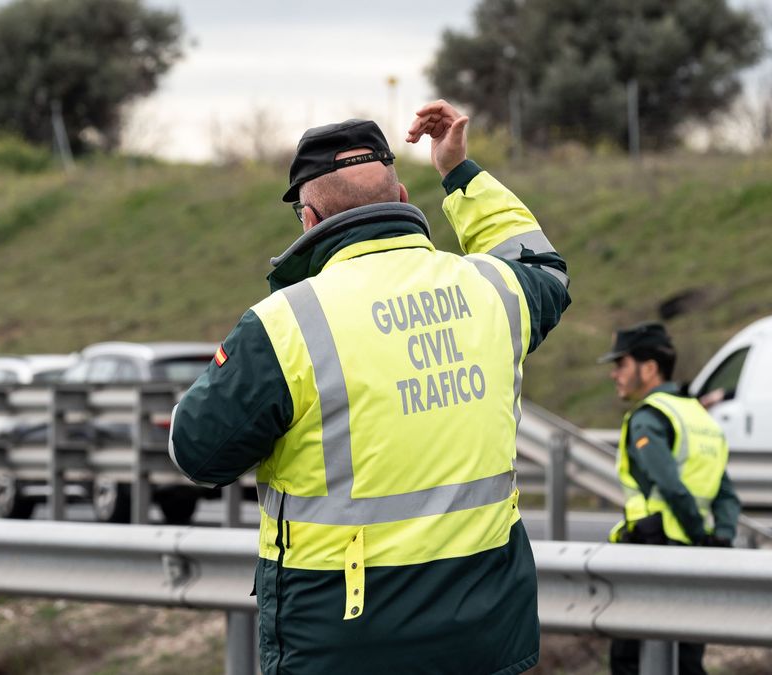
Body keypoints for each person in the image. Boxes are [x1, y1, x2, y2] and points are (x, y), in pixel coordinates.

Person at [168, 100, 570, 675]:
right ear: (403, 201)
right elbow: (544, 268)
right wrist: (459, 172)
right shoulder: (492, 291)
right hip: (484, 636)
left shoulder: (286, 324)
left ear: (309, 220)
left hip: (344, 641)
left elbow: (198, 452)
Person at [598, 321, 740, 675]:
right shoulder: (699, 418)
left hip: (652, 554)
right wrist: (717, 538)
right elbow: (725, 495)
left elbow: (671, 486)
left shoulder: (649, 419)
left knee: (631, 661)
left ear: (648, 368)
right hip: (696, 557)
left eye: (621, 364)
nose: (615, 374)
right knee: (687, 658)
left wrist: (694, 531)